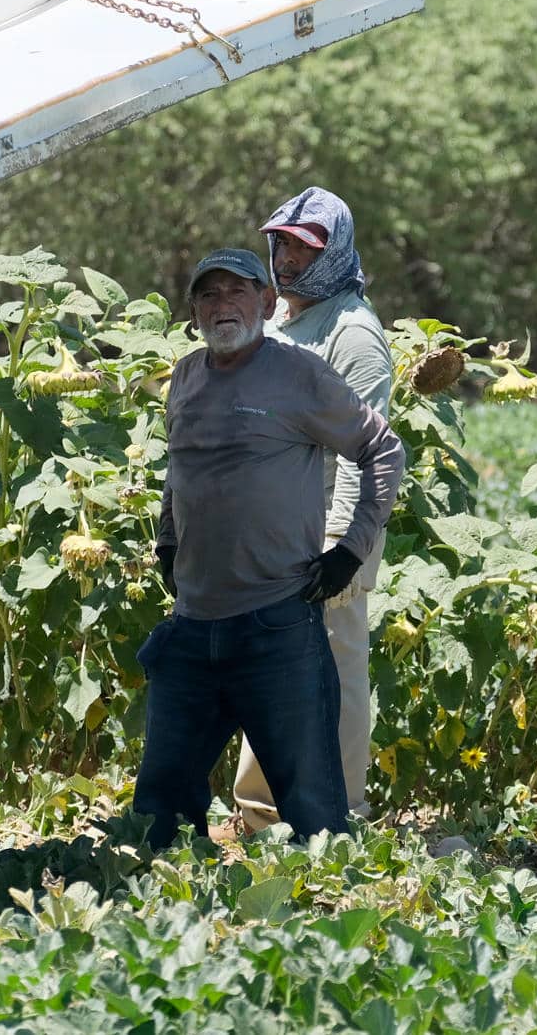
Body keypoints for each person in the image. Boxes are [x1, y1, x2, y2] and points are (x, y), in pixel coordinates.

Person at [134, 248, 405, 846]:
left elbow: (381, 449)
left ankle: (330, 925)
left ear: (266, 302)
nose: (222, 305)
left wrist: (350, 549)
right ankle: (172, 920)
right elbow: (180, 465)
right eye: (209, 294)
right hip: (193, 625)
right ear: (194, 310)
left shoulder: (298, 374)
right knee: (156, 818)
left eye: (238, 291)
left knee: (316, 823)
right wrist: (167, 537)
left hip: (276, 625)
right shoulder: (186, 375)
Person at [220, 186, 394, 840]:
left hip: (329, 532)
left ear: (334, 251)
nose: (288, 259)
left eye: (304, 247)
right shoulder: (286, 319)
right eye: (282, 244)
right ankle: (264, 815)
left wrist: (341, 551)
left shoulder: (354, 335)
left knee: (332, 671)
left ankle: (334, 817)